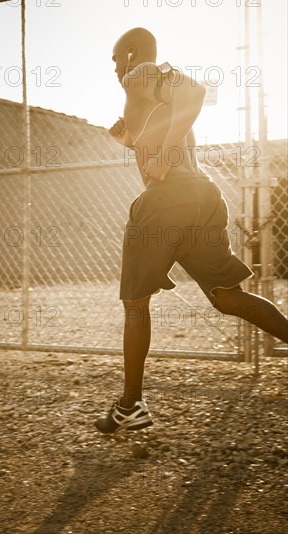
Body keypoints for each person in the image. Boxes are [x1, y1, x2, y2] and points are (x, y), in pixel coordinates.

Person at [95, 28, 288, 434]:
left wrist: (162, 158)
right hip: (201, 199)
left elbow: (196, 92)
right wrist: (132, 141)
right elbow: (163, 131)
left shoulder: (138, 73)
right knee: (228, 298)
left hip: (166, 202)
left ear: (129, 55)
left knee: (135, 303)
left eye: (115, 58)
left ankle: (130, 405)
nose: (114, 67)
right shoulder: (149, 94)